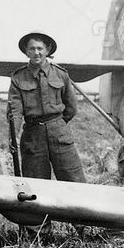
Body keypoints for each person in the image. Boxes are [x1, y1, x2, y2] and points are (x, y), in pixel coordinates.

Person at [7, 31, 87, 183]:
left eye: (40, 48)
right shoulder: (18, 78)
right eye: (31, 49)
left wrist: (57, 125)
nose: (36, 53)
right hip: (33, 137)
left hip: (60, 134)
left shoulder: (61, 74)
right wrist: (13, 135)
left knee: (74, 181)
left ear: (47, 50)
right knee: (36, 185)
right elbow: (15, 112)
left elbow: (71, 107)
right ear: (26, 51)